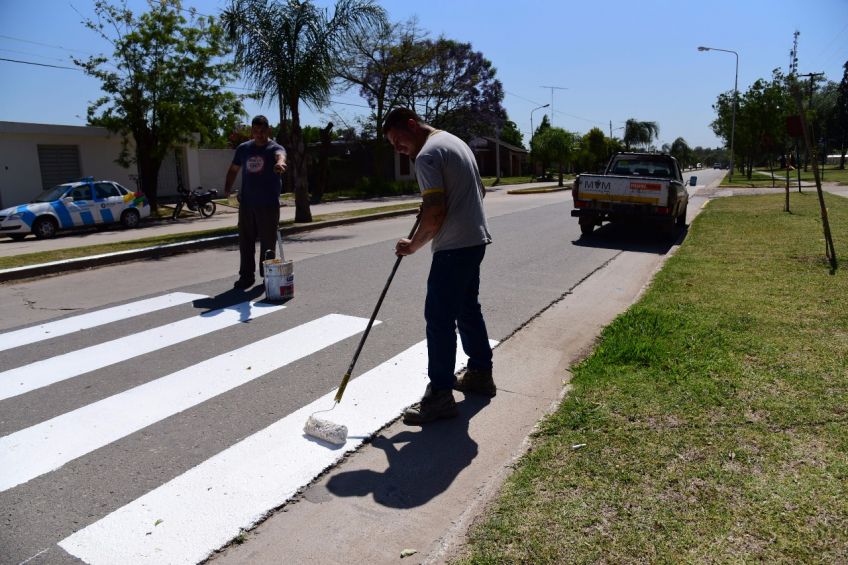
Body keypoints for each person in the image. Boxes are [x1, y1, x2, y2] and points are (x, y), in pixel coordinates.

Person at [383, 108, 495, 425]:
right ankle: (479, 374)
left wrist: (413, 245)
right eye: (392, 144)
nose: (397, 147)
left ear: (411, 125)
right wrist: (440, 201)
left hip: (454, 247)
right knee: (466, 308)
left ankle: (440, 396)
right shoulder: (453, 142)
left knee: (439, 318)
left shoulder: (426, 156)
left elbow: (435, 214)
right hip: (475, 240)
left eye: (398, 139)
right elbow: (478, 190)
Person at [224, 116, 288, 288]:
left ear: (268, 131)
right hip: (247, 204)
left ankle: (268, 276)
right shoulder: (243, 149)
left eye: (262, 131)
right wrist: (227, 189)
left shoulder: (274, 148)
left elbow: (281, 156)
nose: (259, 135)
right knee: (246, 242)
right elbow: (233, 169)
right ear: (251, 131)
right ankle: (246, 276)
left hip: (268, 205)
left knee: (268, 243)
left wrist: (280, 164)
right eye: (255, 131)